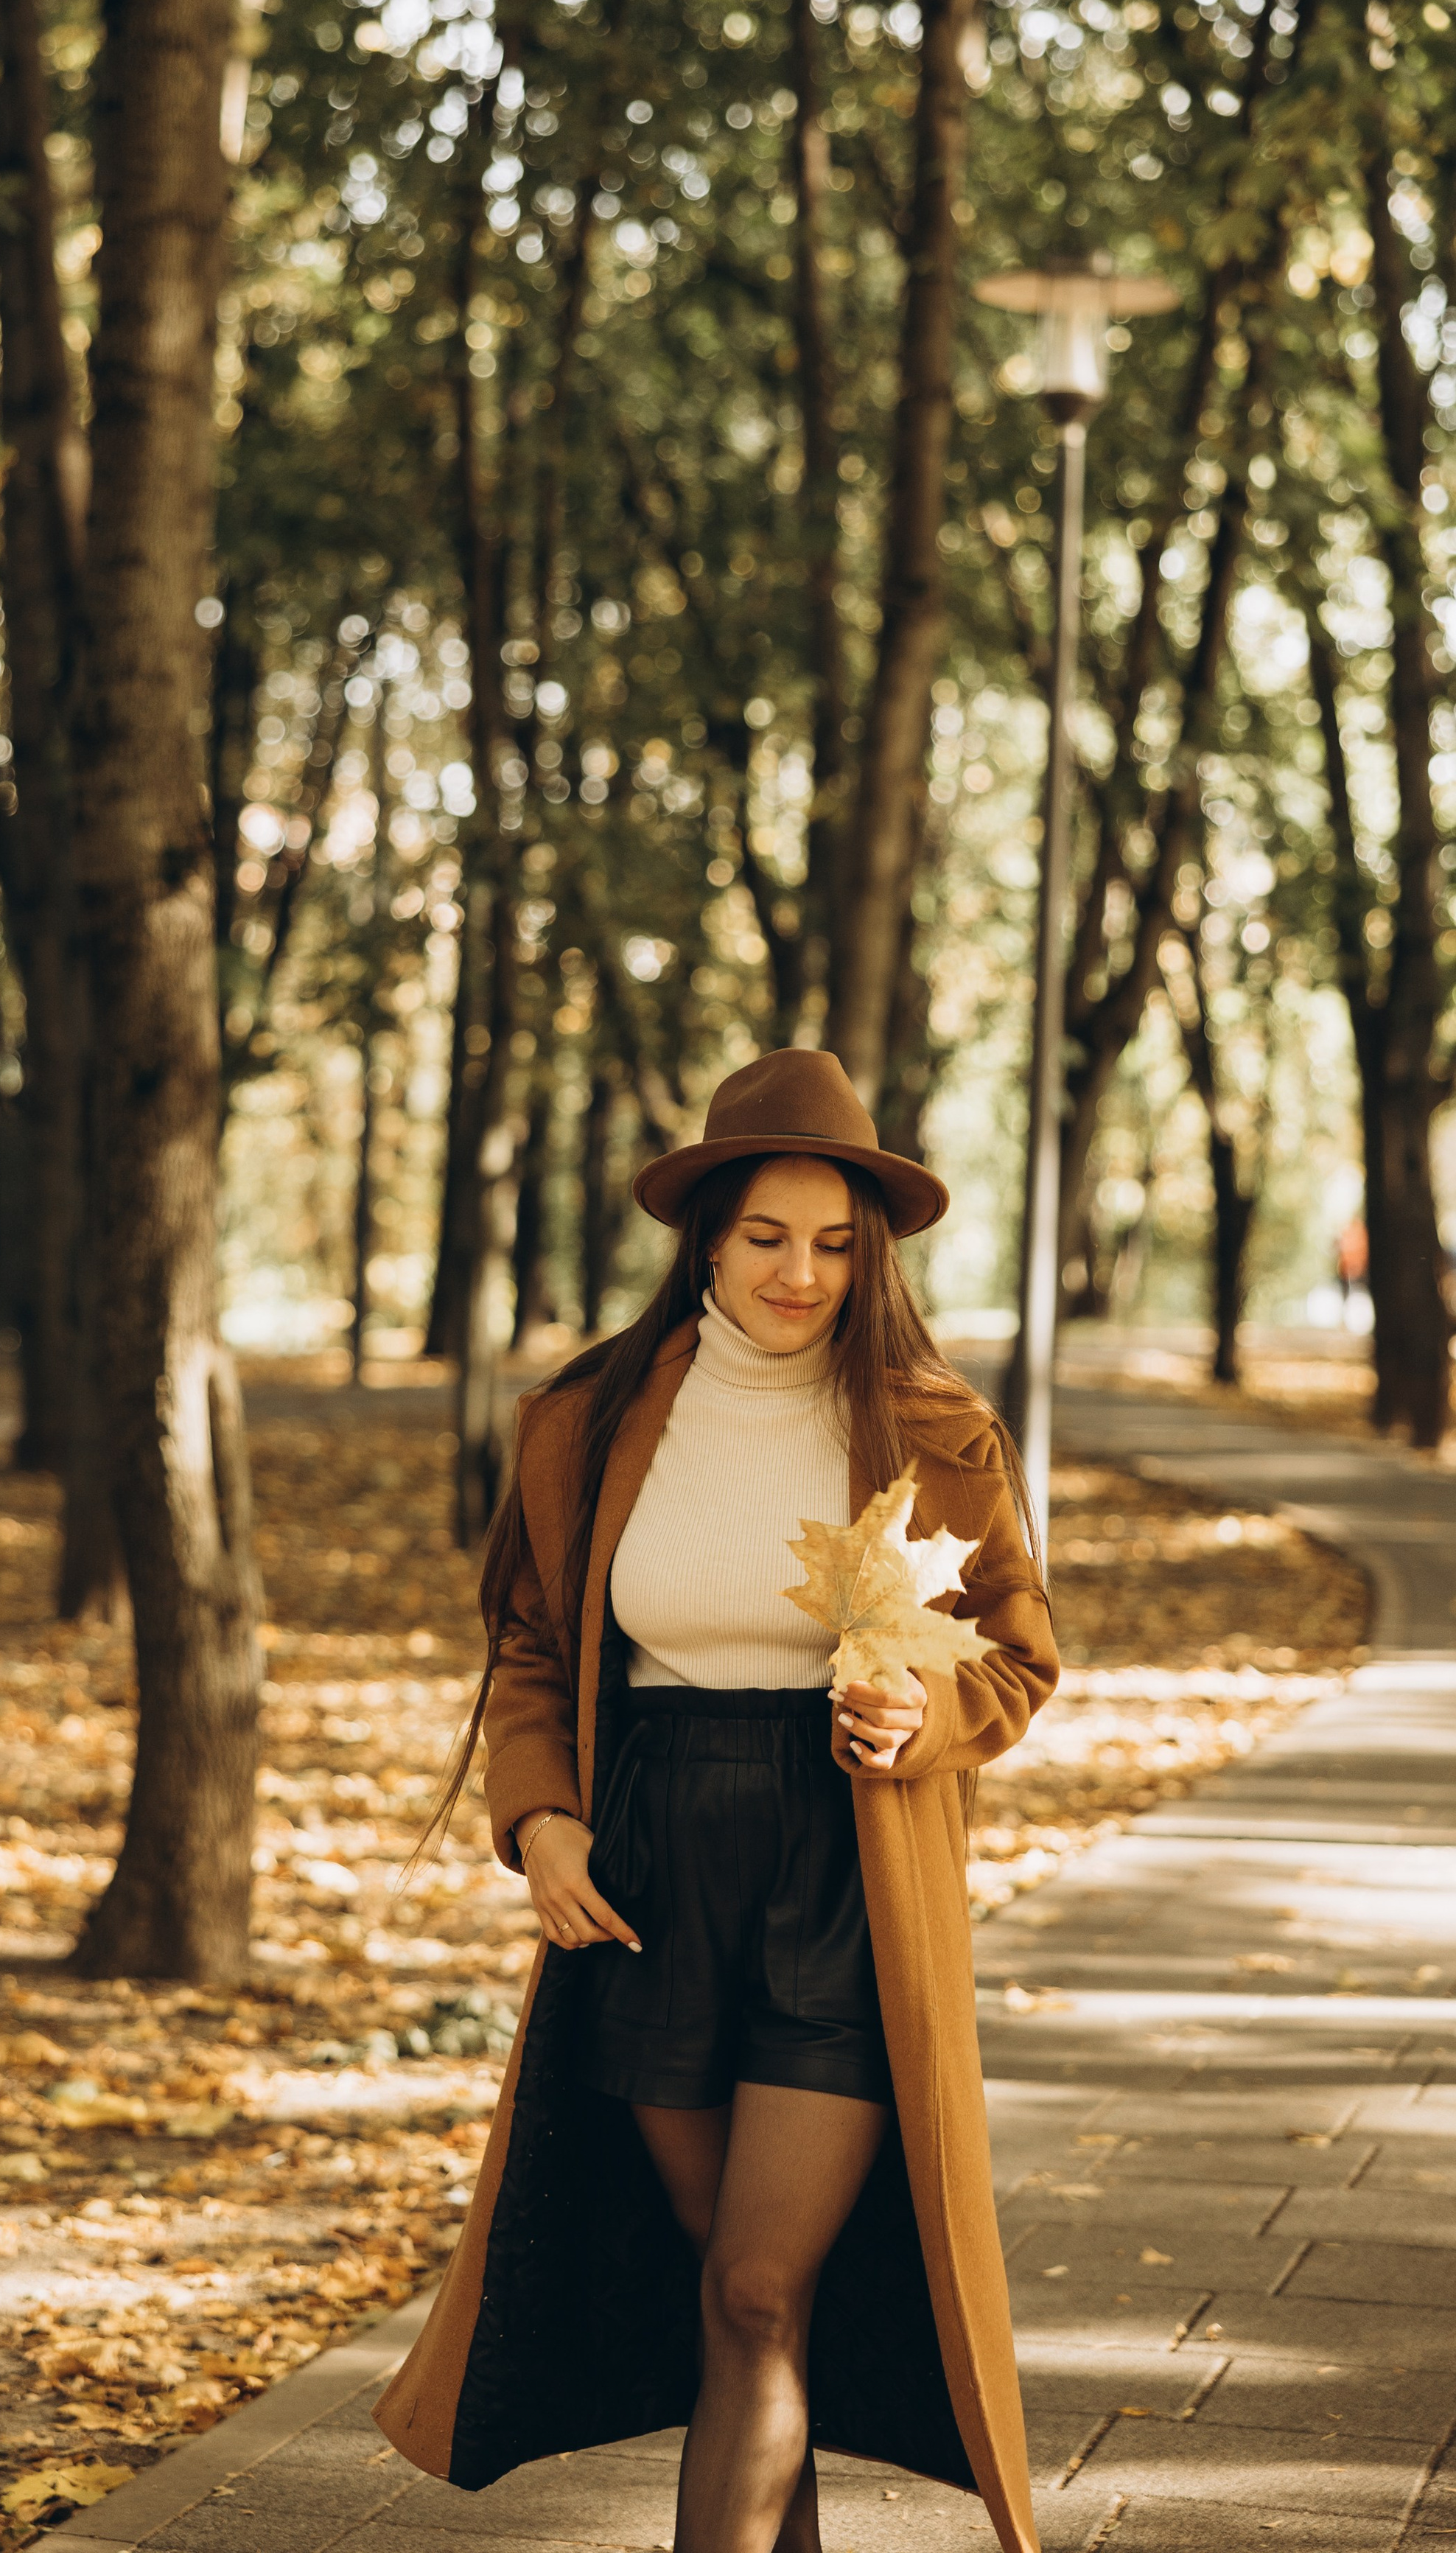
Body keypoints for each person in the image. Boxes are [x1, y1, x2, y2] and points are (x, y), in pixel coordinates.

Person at [376, 1049, 1057, 2553]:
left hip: (844, 1869)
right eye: (765, 1236)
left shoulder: (934, 1431)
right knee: (733, 2295)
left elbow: (1014, 1657)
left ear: (869, 1251)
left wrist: (920, 1711)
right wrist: (540, 1818)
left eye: (832, 1243)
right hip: (648, 1866)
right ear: (702, 1235)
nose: (799, 1273)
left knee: (758, 2284)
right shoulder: (585, 1421)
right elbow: (534, 1645)